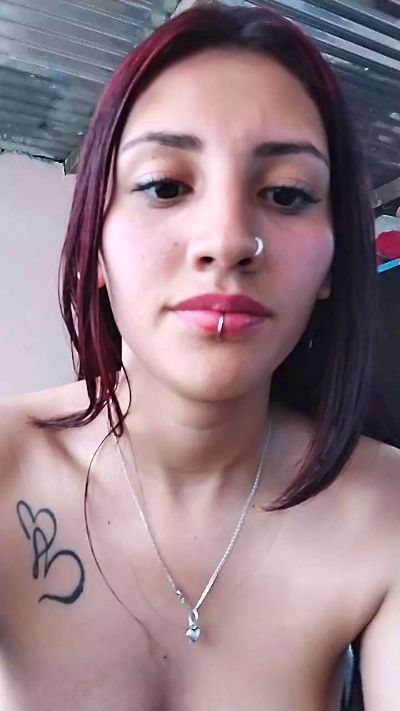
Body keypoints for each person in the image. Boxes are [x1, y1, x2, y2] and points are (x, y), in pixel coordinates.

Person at [0, 3, 399, 709]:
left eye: (286, 193)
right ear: (95, 245)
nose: (228, 239)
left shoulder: (385, 507)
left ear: (335, 260)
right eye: (165, 186)